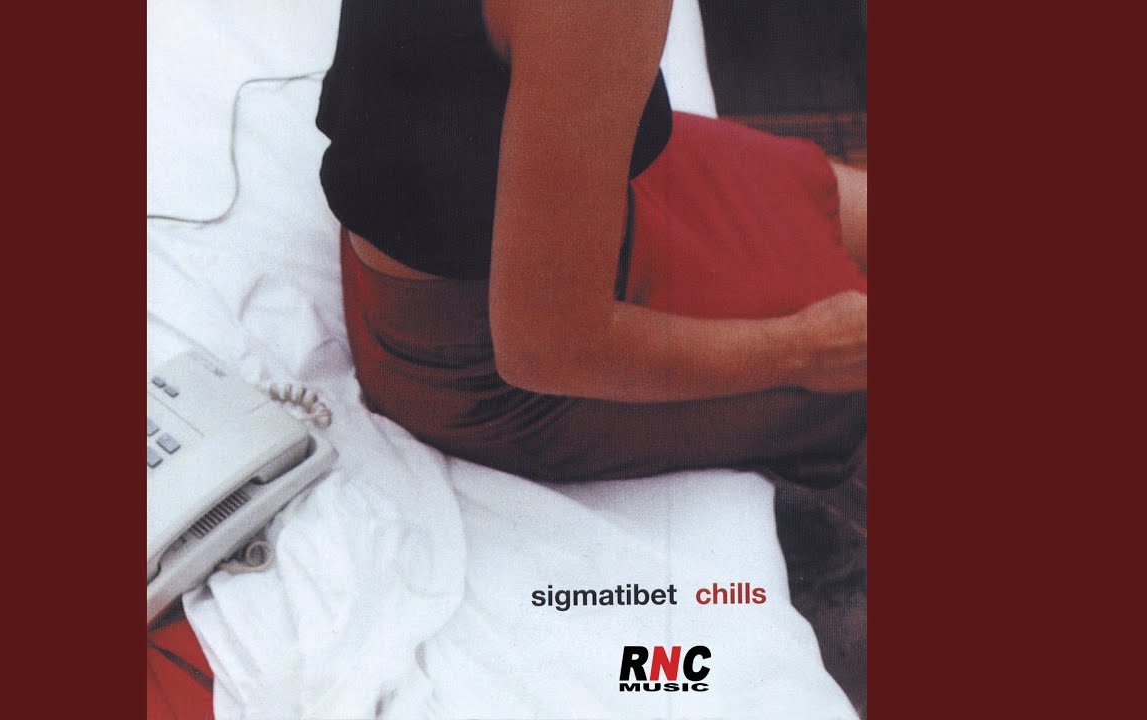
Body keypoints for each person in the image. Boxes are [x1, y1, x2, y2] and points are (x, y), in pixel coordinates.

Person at [317, 0, 867, 487]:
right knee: (853, 378)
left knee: (817, 194)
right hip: (488, 364)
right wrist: (803, 350)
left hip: (534, 207)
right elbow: (545, 352)